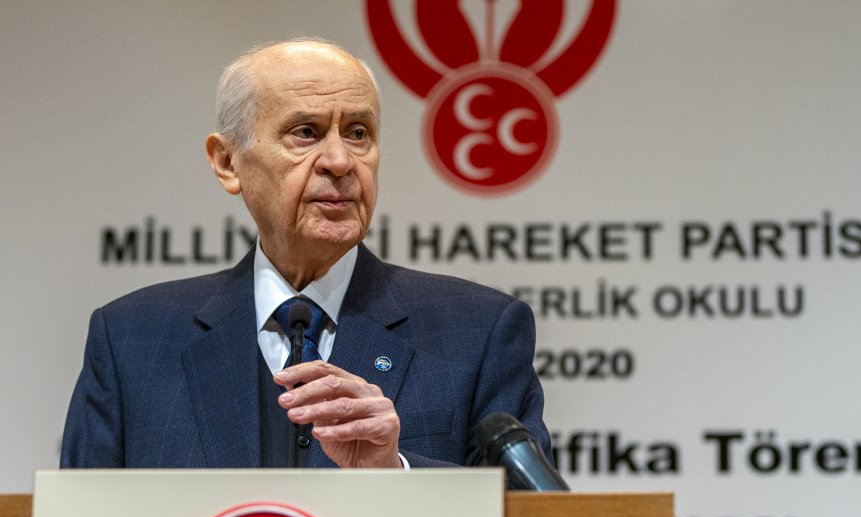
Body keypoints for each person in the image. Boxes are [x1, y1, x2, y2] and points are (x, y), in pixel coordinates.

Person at [60, 38, 550, 471]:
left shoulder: (479, 332)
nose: (340, 161)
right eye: (306, 132)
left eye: (358, 133)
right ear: (227, 162)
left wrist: (396, 472)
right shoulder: (131, 340)